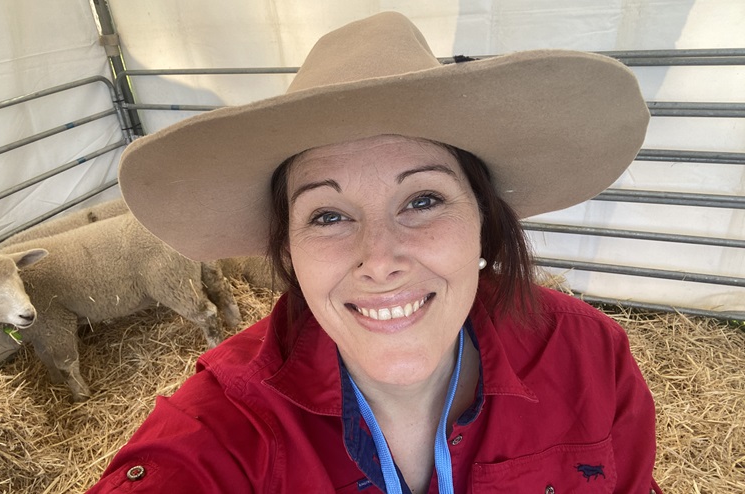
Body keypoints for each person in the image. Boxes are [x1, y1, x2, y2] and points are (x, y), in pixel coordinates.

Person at [86, 11, 662, 494]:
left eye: (424, 200)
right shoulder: (220, 432)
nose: (380, 259)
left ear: (484, 222)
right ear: (288, 249)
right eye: (328, 216)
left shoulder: (588, 355)